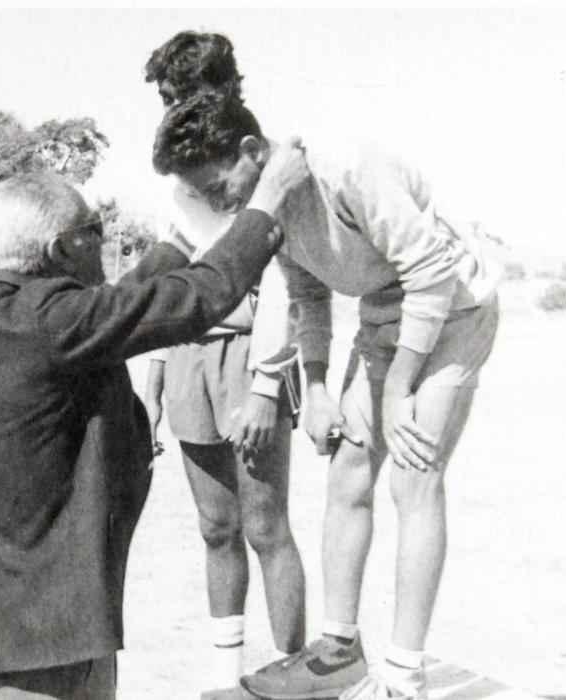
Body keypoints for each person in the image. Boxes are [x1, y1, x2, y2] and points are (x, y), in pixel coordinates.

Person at [153, 86, 501, 700]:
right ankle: (339, 651)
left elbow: (431, 272)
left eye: (217, 185)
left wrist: (397, 388)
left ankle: (404, 675)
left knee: (414, 476)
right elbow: (309, 293)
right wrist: (315, 385)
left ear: (251, 150)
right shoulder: (266, 206)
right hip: (385, 315)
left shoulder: (344, 165)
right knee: (347, 476)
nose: (216, 202)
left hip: (453, 309)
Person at [0, 160, 309, 699]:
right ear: (63, 249)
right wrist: (265, 205)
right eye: (94, 230)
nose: (102, 239)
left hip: (2, 614)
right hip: (46, 639)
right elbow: (197, 297)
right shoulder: (56, 323)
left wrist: (183, 239)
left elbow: (119, 302)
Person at [142, 30, 306, 689]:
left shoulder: (263, 166)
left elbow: (290, 288)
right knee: (215, 526)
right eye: (165, 97)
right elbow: (171, 282)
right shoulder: (181, 176)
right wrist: (154, 381)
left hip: (252, 356)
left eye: (180, 92)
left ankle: (295, 677)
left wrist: (266, 386)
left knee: (264, 526)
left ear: (222, 87)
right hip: (188, 354)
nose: (171, 106)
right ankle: (224, 678)